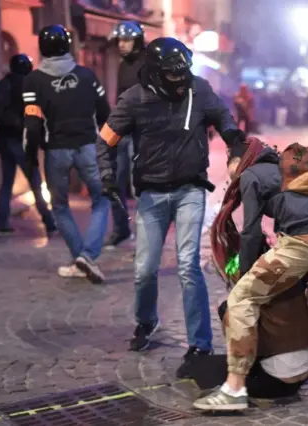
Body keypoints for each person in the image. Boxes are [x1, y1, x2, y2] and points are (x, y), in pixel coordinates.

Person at [95, 37, 246, 373]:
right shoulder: (134, 99)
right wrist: (107, 177)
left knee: (188, 266)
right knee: (144, 270)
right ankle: (146, 321)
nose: (181, 85)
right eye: (173, 79)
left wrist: (234, 139)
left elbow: (224, 118)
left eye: (184, 77)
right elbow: (104, 140)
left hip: (191, 189)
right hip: (151, 194)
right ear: (155, 73)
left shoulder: (199, 88)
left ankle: (200, 345)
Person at [193, 138, 308, 411]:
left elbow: (251, 232)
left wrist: (243, 278)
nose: (229, 173)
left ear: (237, 160)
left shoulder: (251, 175)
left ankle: (234, 388)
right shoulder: (286, 169)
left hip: (306, 237)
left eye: (229, 164)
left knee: (242, 299)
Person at [23, 25, 111, 283]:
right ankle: (88, 255)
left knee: (60, 206)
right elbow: (105, 112)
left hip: (56, 151)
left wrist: (31, 155)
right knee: (101, 199)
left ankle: (82, 257)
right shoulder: (87, 75)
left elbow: (32, 123)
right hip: (87, 146)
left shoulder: (34, 80)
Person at [181, 291, 308, 400]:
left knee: (198, 366)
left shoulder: (252, 289)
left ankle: (234, 388)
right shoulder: (297, 282)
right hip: (305, 375)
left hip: (273, 382)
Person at [0, 54, 56, 237]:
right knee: (35, 183)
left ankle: (2, 225)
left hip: (3, 139)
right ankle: (49, 222)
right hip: (21, 140)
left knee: (6, 183)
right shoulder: (30, 86)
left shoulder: (3, 84)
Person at [103, 20, 146, 249]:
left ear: (137, 41)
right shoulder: (122, 66)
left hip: (142, 135)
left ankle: (144, 240)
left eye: (126, 40)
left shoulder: (148, 64)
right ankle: (121, 229)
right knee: (115, 183)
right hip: (122, 133)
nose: (122, 45)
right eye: (119, 40)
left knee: (139, 186)